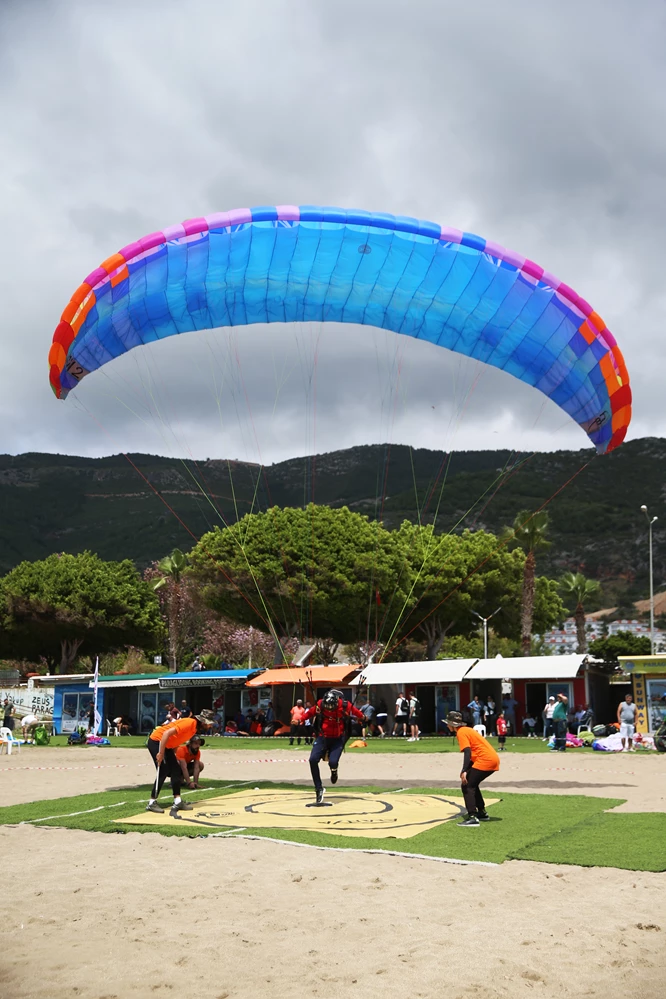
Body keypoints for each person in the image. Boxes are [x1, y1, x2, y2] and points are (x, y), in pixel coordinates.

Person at [145, 709, 214, 816]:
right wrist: (161, 753)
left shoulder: (194, 729)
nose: (210, 726)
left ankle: (177, 801)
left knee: (176, 770)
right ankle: (151, 802)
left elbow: (177, 739)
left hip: (168, 745)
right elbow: (166, 733)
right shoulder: (189, 723)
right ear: (203, 722)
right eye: (209, 724)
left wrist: (173, 755)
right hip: (157, 741)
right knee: (163, 770)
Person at [302, 689, 365, 803]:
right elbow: (310, 713)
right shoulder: (320, 704)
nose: (329, 709)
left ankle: (334, 770)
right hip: (323, 737)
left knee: (333, 762)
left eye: (332, 707)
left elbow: (356, 712)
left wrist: (363, 717)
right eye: (327, 707)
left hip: (337, 739)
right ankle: (318, 788)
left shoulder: (345, 705)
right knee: (312, 760)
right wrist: (299, 720)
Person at [445, 710, 500, 827]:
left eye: (448, 723)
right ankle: (482, 812)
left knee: (467, 786)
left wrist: (464, 770)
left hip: (485, 760)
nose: (447, 725)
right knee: (472, 784)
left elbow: (467, 751)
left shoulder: (461, 732)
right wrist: (466, 769)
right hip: (490, 759)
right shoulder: (467, 730)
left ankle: (472, 817)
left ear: (452, 724)